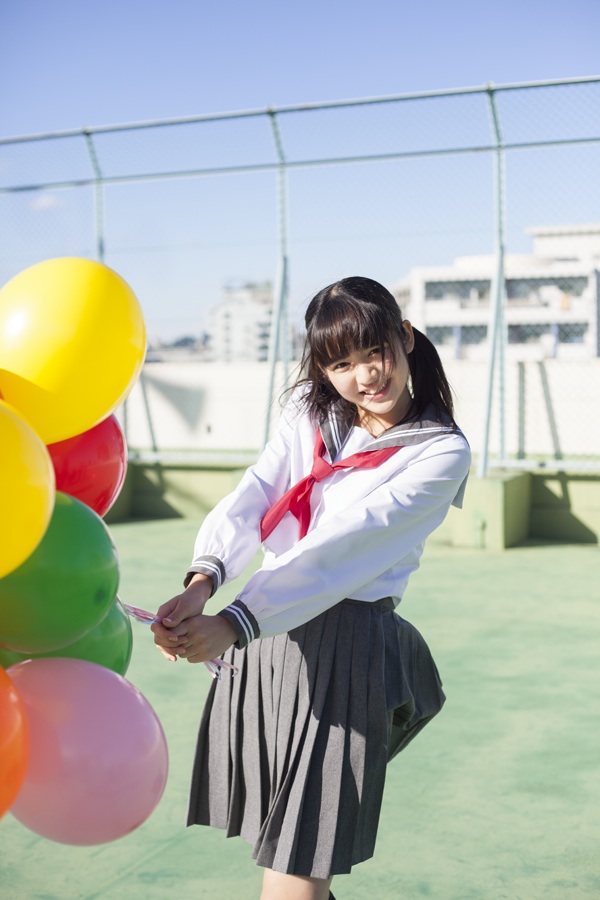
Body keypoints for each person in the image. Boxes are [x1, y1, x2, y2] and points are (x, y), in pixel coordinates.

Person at [151, 276, 471, 900]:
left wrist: (232, 623)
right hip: (269, 642)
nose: (366, 376)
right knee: (291, 851)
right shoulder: (309, 414)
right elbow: (257, 494)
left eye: (376, 352)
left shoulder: (440, 452)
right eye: (341, 364)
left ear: (405, 337)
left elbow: (344, 546)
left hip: (343, 650)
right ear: (323, 369)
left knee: (299, 855)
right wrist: (201, 584)